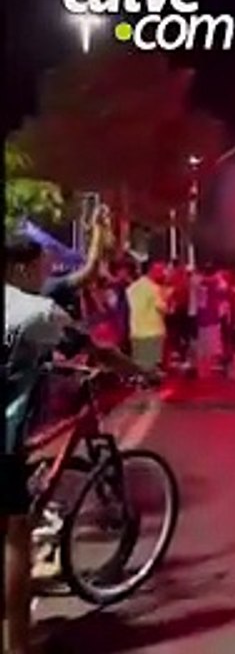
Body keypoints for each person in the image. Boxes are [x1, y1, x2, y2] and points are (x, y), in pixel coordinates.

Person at [5, 233, 153, 654]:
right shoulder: (35, 311)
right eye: (41, 267)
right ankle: (17, 645)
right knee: (16, 538)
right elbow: (96, 350)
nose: (47, 273)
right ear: (20, 268)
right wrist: (140, 372)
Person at [126, 260, 169, 371]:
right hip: (153, 331)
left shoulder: (131, 288)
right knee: (151, 365)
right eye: (161, 271)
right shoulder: (154, 289)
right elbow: (162, 308)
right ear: (153, 271)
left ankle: (141, 386)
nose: (163, 274)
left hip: (136, 331)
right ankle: (150, 386)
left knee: (140, 364)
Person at [192, 263, 226, 378]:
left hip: (202, 319)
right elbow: (223, 294)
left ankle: (202, 372)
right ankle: (208, 373)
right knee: (211, 348)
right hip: (213, 319)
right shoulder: (216, 283)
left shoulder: (200, 284)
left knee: (202, 347)